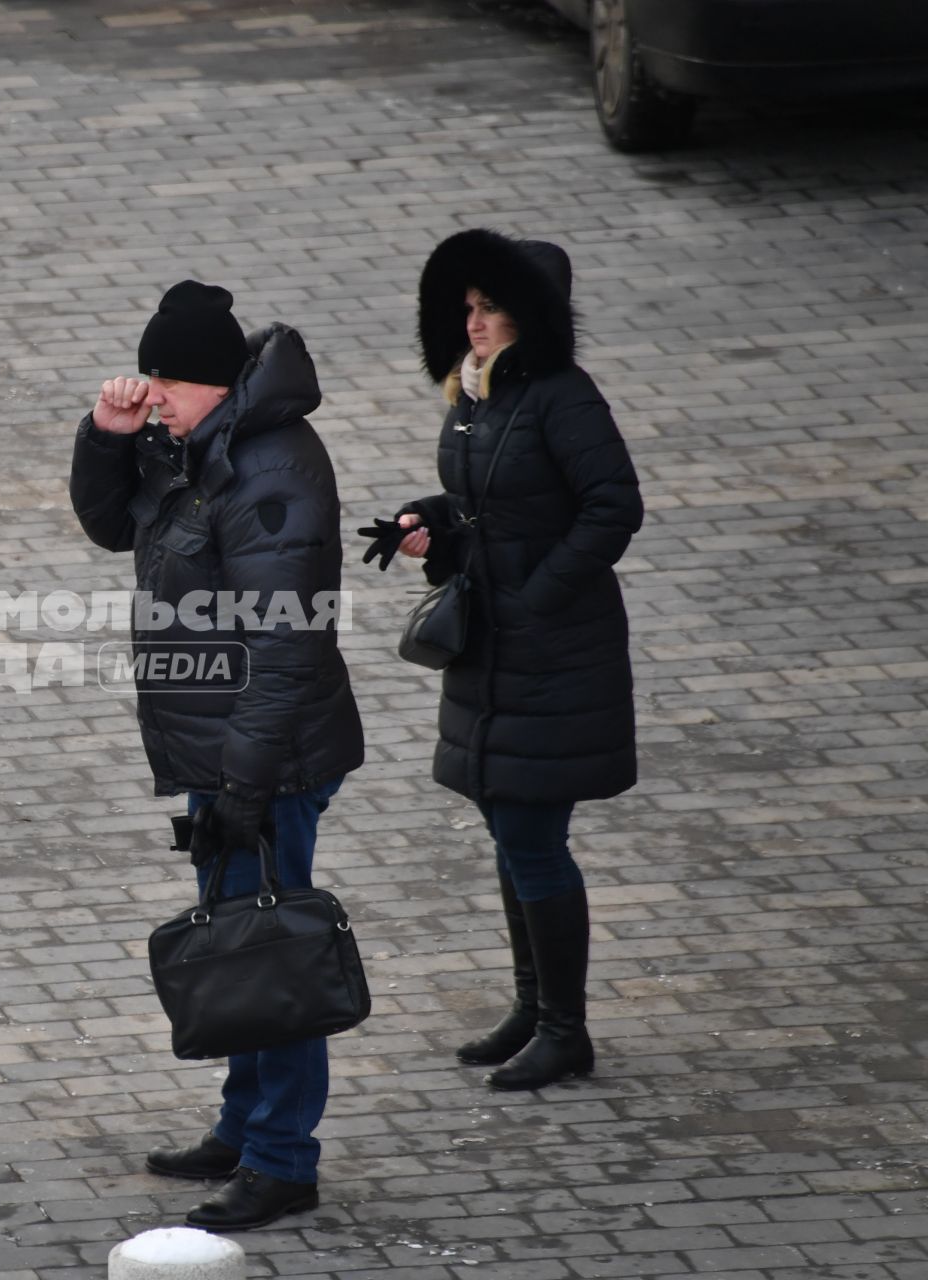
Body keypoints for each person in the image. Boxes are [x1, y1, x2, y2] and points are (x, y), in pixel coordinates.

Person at [69, 280, 364, 1230]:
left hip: (268, 759)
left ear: (214, 382)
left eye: (165, 380)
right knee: (241, 943)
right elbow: (114, 525)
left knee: (273, 956)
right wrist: (109, 437)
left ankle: (283, 1161)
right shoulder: (201, 447)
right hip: (225, 756)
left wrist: (245, 783)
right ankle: (243, 1131)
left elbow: (286, 647)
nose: (152, 393)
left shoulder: (273, 472)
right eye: (148, 375)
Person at [364, 229, 643, 1091]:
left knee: (531, 833)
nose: (474, 324)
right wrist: (429, 525)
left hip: (553, 649)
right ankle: (535, 1007)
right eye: (469, 309)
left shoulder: (563, 398)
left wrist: (536, 594)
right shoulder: (477, 397)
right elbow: (481, 504)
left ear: (531, 318)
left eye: (490, 310)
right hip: (497, 645)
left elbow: (613, 508)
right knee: (507, 823)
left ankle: (566, 1029)